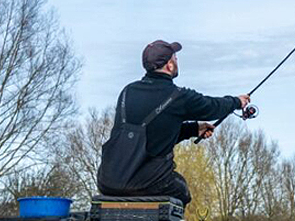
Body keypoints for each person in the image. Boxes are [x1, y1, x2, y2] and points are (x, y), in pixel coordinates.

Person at [96, 39, 250, 206]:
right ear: (169, 65)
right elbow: (212, 107)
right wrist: (236, 101)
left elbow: (149, 137)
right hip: (148, 183)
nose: (177, 61)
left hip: (108, 181)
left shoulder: (127, 91)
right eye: (175, 58)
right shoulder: (178, 96)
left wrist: (192, 129)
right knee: (181, 190)